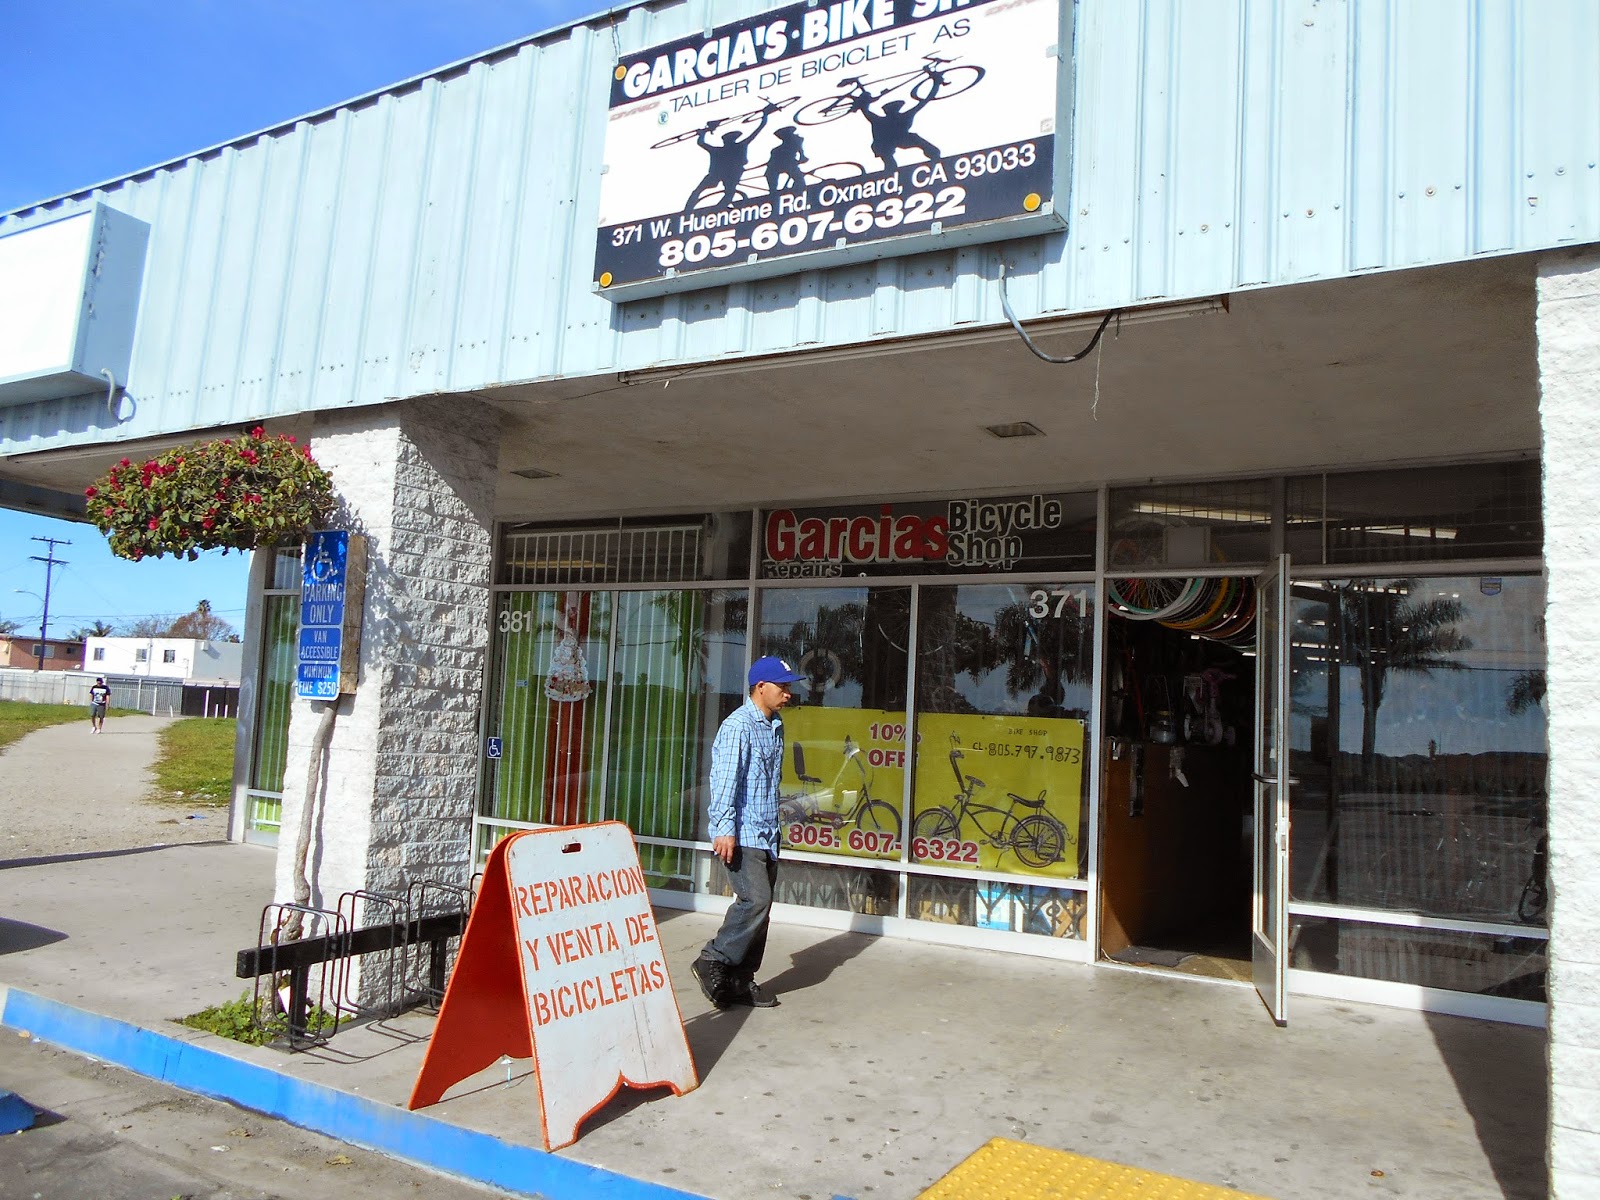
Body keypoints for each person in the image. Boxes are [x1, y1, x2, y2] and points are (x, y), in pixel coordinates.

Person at [690, 655, 806, 1009]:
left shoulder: (775, 725)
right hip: (741, 833)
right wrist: (723, 829)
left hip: (768, 831)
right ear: (761, 688)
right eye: (783, 687)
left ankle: (741, 980)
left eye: (788, 687)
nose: (788, 694)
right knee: (756, 900)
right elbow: (724, 781)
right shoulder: (738, 726)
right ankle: (713, 958)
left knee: (762, 910)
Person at [683, 102, 780, 212]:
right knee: (728, 192)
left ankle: (693, 210)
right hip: (728, 174)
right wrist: (765, 115)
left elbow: (701, 143)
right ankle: (692, 210)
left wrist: (703, 133)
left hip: (726, 174)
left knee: (707, 191)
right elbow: (758, 130)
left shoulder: (721, 149)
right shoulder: (738, 146)